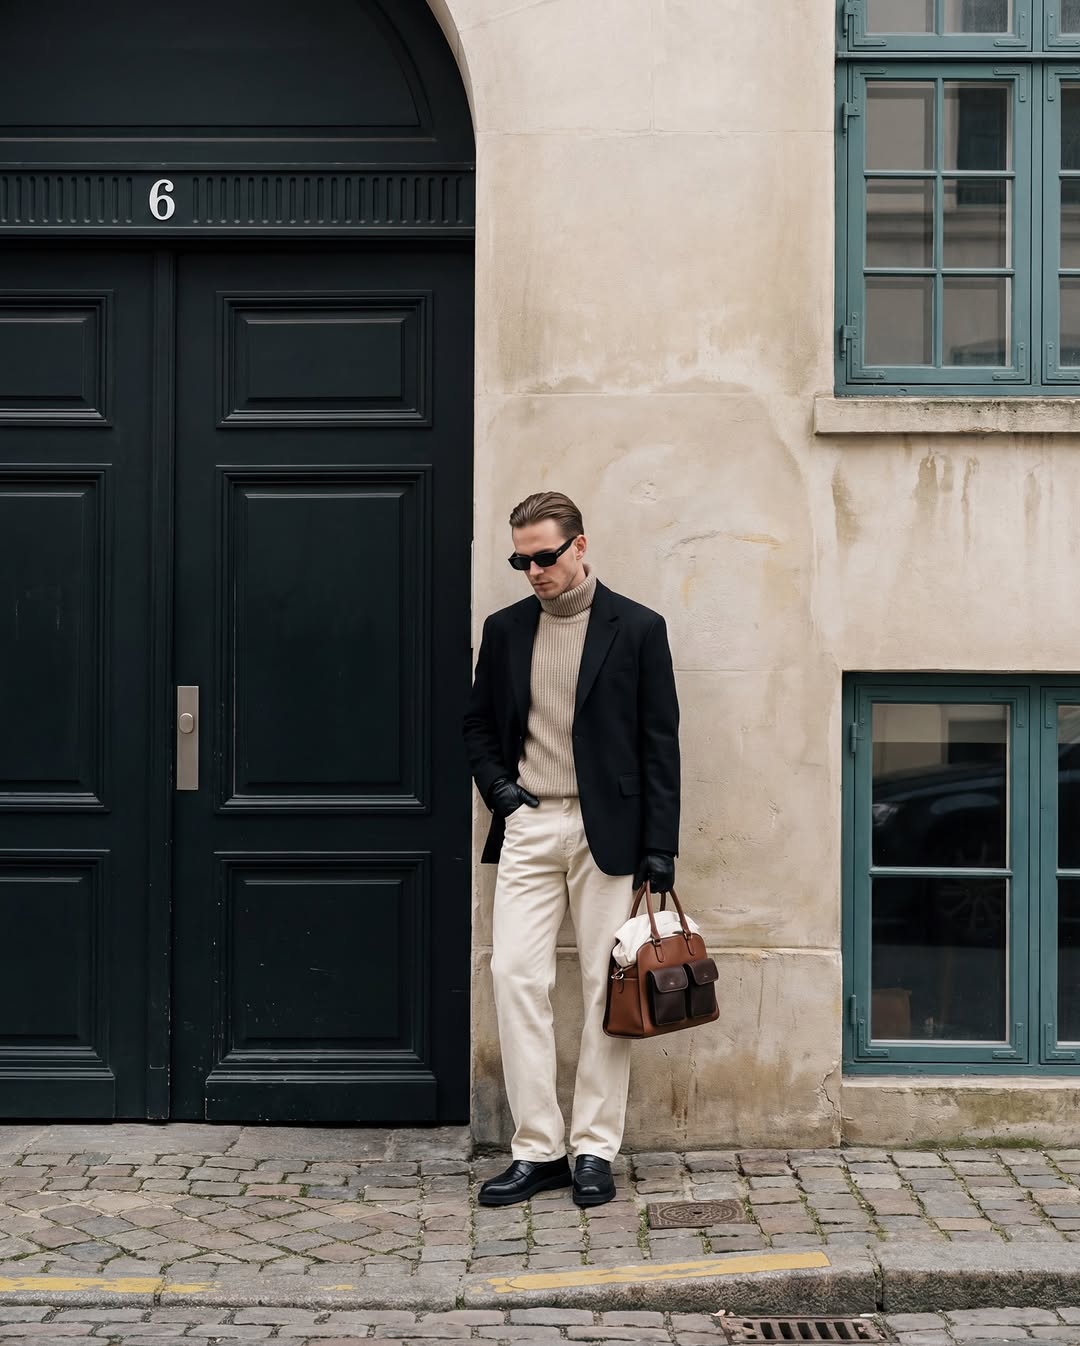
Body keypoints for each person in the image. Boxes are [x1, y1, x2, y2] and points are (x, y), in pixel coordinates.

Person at [463, 491, 681, 1208]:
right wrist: (502, 794)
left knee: (601, 987)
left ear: (580, 546)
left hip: (606, 831)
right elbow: (476, 729)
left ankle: (593, 1148)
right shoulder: (504, 630)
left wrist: (660, 850)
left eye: (545, 556)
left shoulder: (638, 629)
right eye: (521, 559)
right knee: (516, 978)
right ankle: (538, 1150)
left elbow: (659, 746)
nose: (533, 570)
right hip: (528, 824)